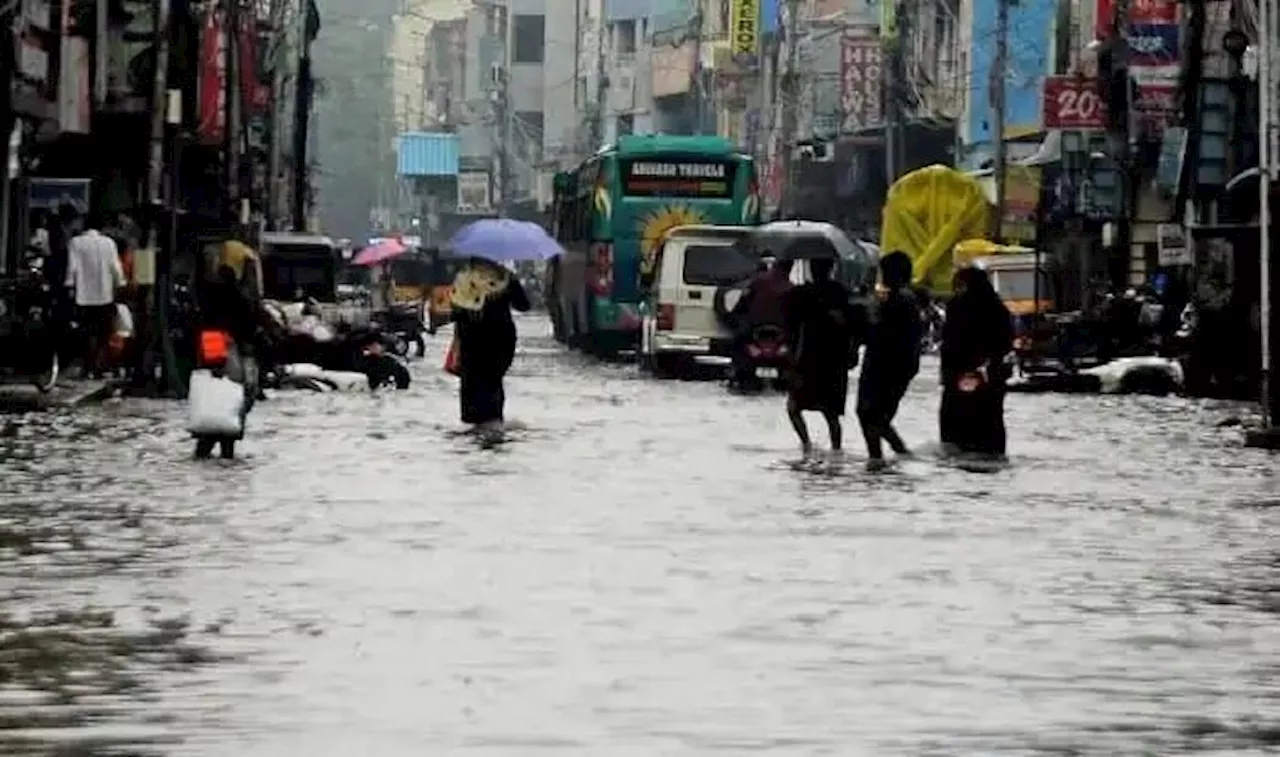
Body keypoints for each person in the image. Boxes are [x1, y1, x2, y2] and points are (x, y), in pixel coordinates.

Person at [782, 252, 861, 461]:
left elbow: (790, 327)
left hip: (809, 357)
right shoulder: (841, 293)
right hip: (833, 360)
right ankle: (836, 451)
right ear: (831, 268)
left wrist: (790, 358)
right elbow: (854, 327)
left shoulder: (801, 293)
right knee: (831, 413)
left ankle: (807, 445)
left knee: (794, 407)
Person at [450, 258, 531, 438]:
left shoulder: (464, 278)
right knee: (493, 380)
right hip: (500, 339)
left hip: (471, 339)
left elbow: (455, 311)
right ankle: (494, 421)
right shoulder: (505, 279)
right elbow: (524, 305)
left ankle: (477, 422)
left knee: (473, 381)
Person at [939, 266, 1014, 459]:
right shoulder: (992, 307)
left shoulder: (983, 308)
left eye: (960, 286)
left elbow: (1004, 342)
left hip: (977, 375)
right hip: (970, 376)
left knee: (977, 420)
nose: (958, 290)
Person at [857, 251, 922, 471]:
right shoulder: (902, 299)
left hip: (885, 367)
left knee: (871, 414)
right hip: (894, 367)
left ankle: (879, 459)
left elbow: (879, 333)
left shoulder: (899, 301)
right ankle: (891, 456)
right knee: (876, 416)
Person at [194, 263, 267, 459]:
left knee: (214, 403)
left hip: (214, 352)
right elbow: (252, 328)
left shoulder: (209, 303)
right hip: (234, 356)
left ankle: (206, 449)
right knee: (233, 406)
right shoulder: (241, 300)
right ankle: (225, 450)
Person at [65, 210, 125, 379]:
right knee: (103, 332)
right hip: (105, 294)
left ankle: (87, 366)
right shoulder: (109, 243)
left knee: (85, 332)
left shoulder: (76, 243)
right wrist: (120, 284)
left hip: (83, 295)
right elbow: (115, 267)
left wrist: (69, 286)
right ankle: (99, 366)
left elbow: (73, 267)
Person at [729, 255, 794, 390]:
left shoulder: (758, 282)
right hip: (778, 335)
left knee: (737, 343)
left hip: (754, 331)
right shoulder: (791, 288)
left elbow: (740, 307)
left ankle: (738, 376)